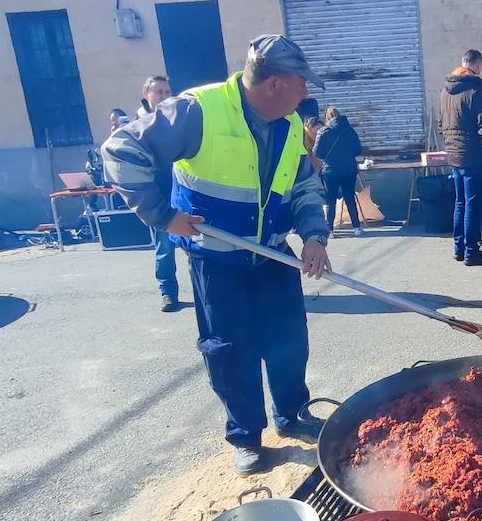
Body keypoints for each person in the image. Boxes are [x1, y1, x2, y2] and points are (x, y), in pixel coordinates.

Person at [102, 35, 331, 475]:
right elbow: (120, 151)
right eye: (301, 83)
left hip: (273, 255)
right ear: (274, 85)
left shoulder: (288, 126)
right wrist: (162, 215)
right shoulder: (197, 111)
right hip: (218, 259)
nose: (307, 92)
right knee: (229, 349)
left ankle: (292, 414)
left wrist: (314, 236)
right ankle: (245, 436)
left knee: (288, 340)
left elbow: (303, 185)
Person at [440, 49, 482, 266]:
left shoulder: (445, 92)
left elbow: (441, 125)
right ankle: (472, 251)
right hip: (473, 156)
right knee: (472, 204)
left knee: (460, 202)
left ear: (462, 63)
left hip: (454, 155)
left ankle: (459, 248)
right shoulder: (476, 91)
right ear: (478, 65)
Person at [137, 76, 183, 312]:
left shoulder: (179, 120)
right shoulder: (138, 127)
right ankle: (168, 293)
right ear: (146, 93)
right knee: (164, 249)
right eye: (159, 92)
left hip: (183, 194)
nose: (164, 96)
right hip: (159, 200)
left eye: (167, 92)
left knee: (197, 247)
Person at [313, 106, 364, 235]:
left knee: (330, 200)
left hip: (331, 171)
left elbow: (317, 152)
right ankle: (357, 228)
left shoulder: (323, 132)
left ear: (327, 117)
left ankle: (330, 230)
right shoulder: (350, 130)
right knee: (350, 198)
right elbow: (358, 149)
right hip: (349, 169)